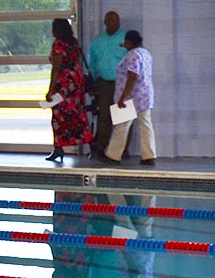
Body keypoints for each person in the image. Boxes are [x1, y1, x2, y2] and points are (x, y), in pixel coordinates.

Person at [44, 21, 92, 164]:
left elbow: (57, 69)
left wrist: (50, 90)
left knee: (58, 116)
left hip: (64, 84)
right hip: (76, 81)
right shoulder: (74, 43)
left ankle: (58, 147)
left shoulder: (59, 45)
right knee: (78, 114)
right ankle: (90, 144)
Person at [108, 29, 156, 165]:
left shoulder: (133, 55)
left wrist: (123, 97)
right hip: (145, 96)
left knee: (122, 126)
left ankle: (113, 155)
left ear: (129, 42)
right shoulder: (146, 53)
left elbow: (133, 77)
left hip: (132, 97)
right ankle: (149, 156)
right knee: (146, 125)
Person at [86, 11, 124, 158]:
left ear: (119, 22)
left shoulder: (125, 38)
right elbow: (92, 62)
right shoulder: (97, 41)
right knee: (104, 116)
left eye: (116, 20)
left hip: (122, 83)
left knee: (123, 117)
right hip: (104, 83)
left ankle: (122, 150)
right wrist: (92, 81)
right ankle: (102, 148)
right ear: (105, 23)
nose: (113, 23)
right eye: (110, 20)